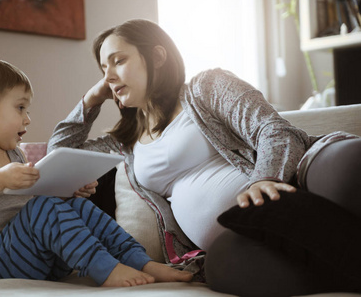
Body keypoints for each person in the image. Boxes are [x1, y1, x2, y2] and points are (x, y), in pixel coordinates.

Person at [48, 19, 361, 294]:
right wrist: (91, 100)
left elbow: (273, 129)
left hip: (297, 178)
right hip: (247, 234)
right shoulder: (124, 144)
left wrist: (265, 179)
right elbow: (59, 154)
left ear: (156, 57)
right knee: (224, 266)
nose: (110, 78)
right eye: (103, 70)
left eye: (118, 61)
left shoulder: (206, 88)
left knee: (349, 166)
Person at [0, 58, 193, 287]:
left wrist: (70, 190)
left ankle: (141, 261)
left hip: (42, 259)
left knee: (76, 206)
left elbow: (41, 210)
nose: (27, 119)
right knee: (41, 208)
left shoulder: (16, 155)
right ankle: (106, 269)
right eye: (20, 108)